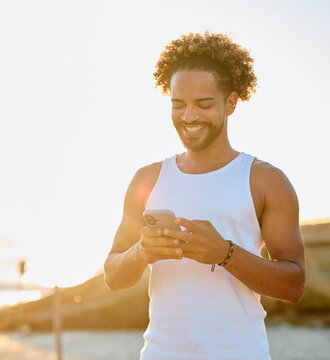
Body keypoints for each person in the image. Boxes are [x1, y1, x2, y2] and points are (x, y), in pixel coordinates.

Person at [103, 32, 306, 360]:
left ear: (231, 102)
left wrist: (224, 254)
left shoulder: (265, 181)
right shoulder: (147, 179)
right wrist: (141, 252)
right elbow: (113, 275)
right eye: (178, 104)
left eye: (204, 104)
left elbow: (294, 286)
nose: (188, 117)